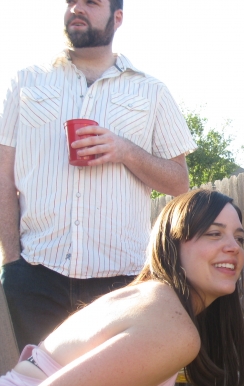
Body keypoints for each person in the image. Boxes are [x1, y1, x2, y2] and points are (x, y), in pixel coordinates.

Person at [0, 0, 195, 352]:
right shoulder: (25, 82)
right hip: (34, 277)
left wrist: (124, 150)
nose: (77, 8)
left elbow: (179, 183)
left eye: (90, 2)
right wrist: (12, 261)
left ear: (117, 18)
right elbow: (3, 176)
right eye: (71, 1)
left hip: (122, 285)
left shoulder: (151, 91)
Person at [0, 189, 244, 386]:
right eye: (214, 233)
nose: (233, 247)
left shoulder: (155, 302)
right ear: (172, 244)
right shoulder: (170, 326)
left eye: (239, 238)